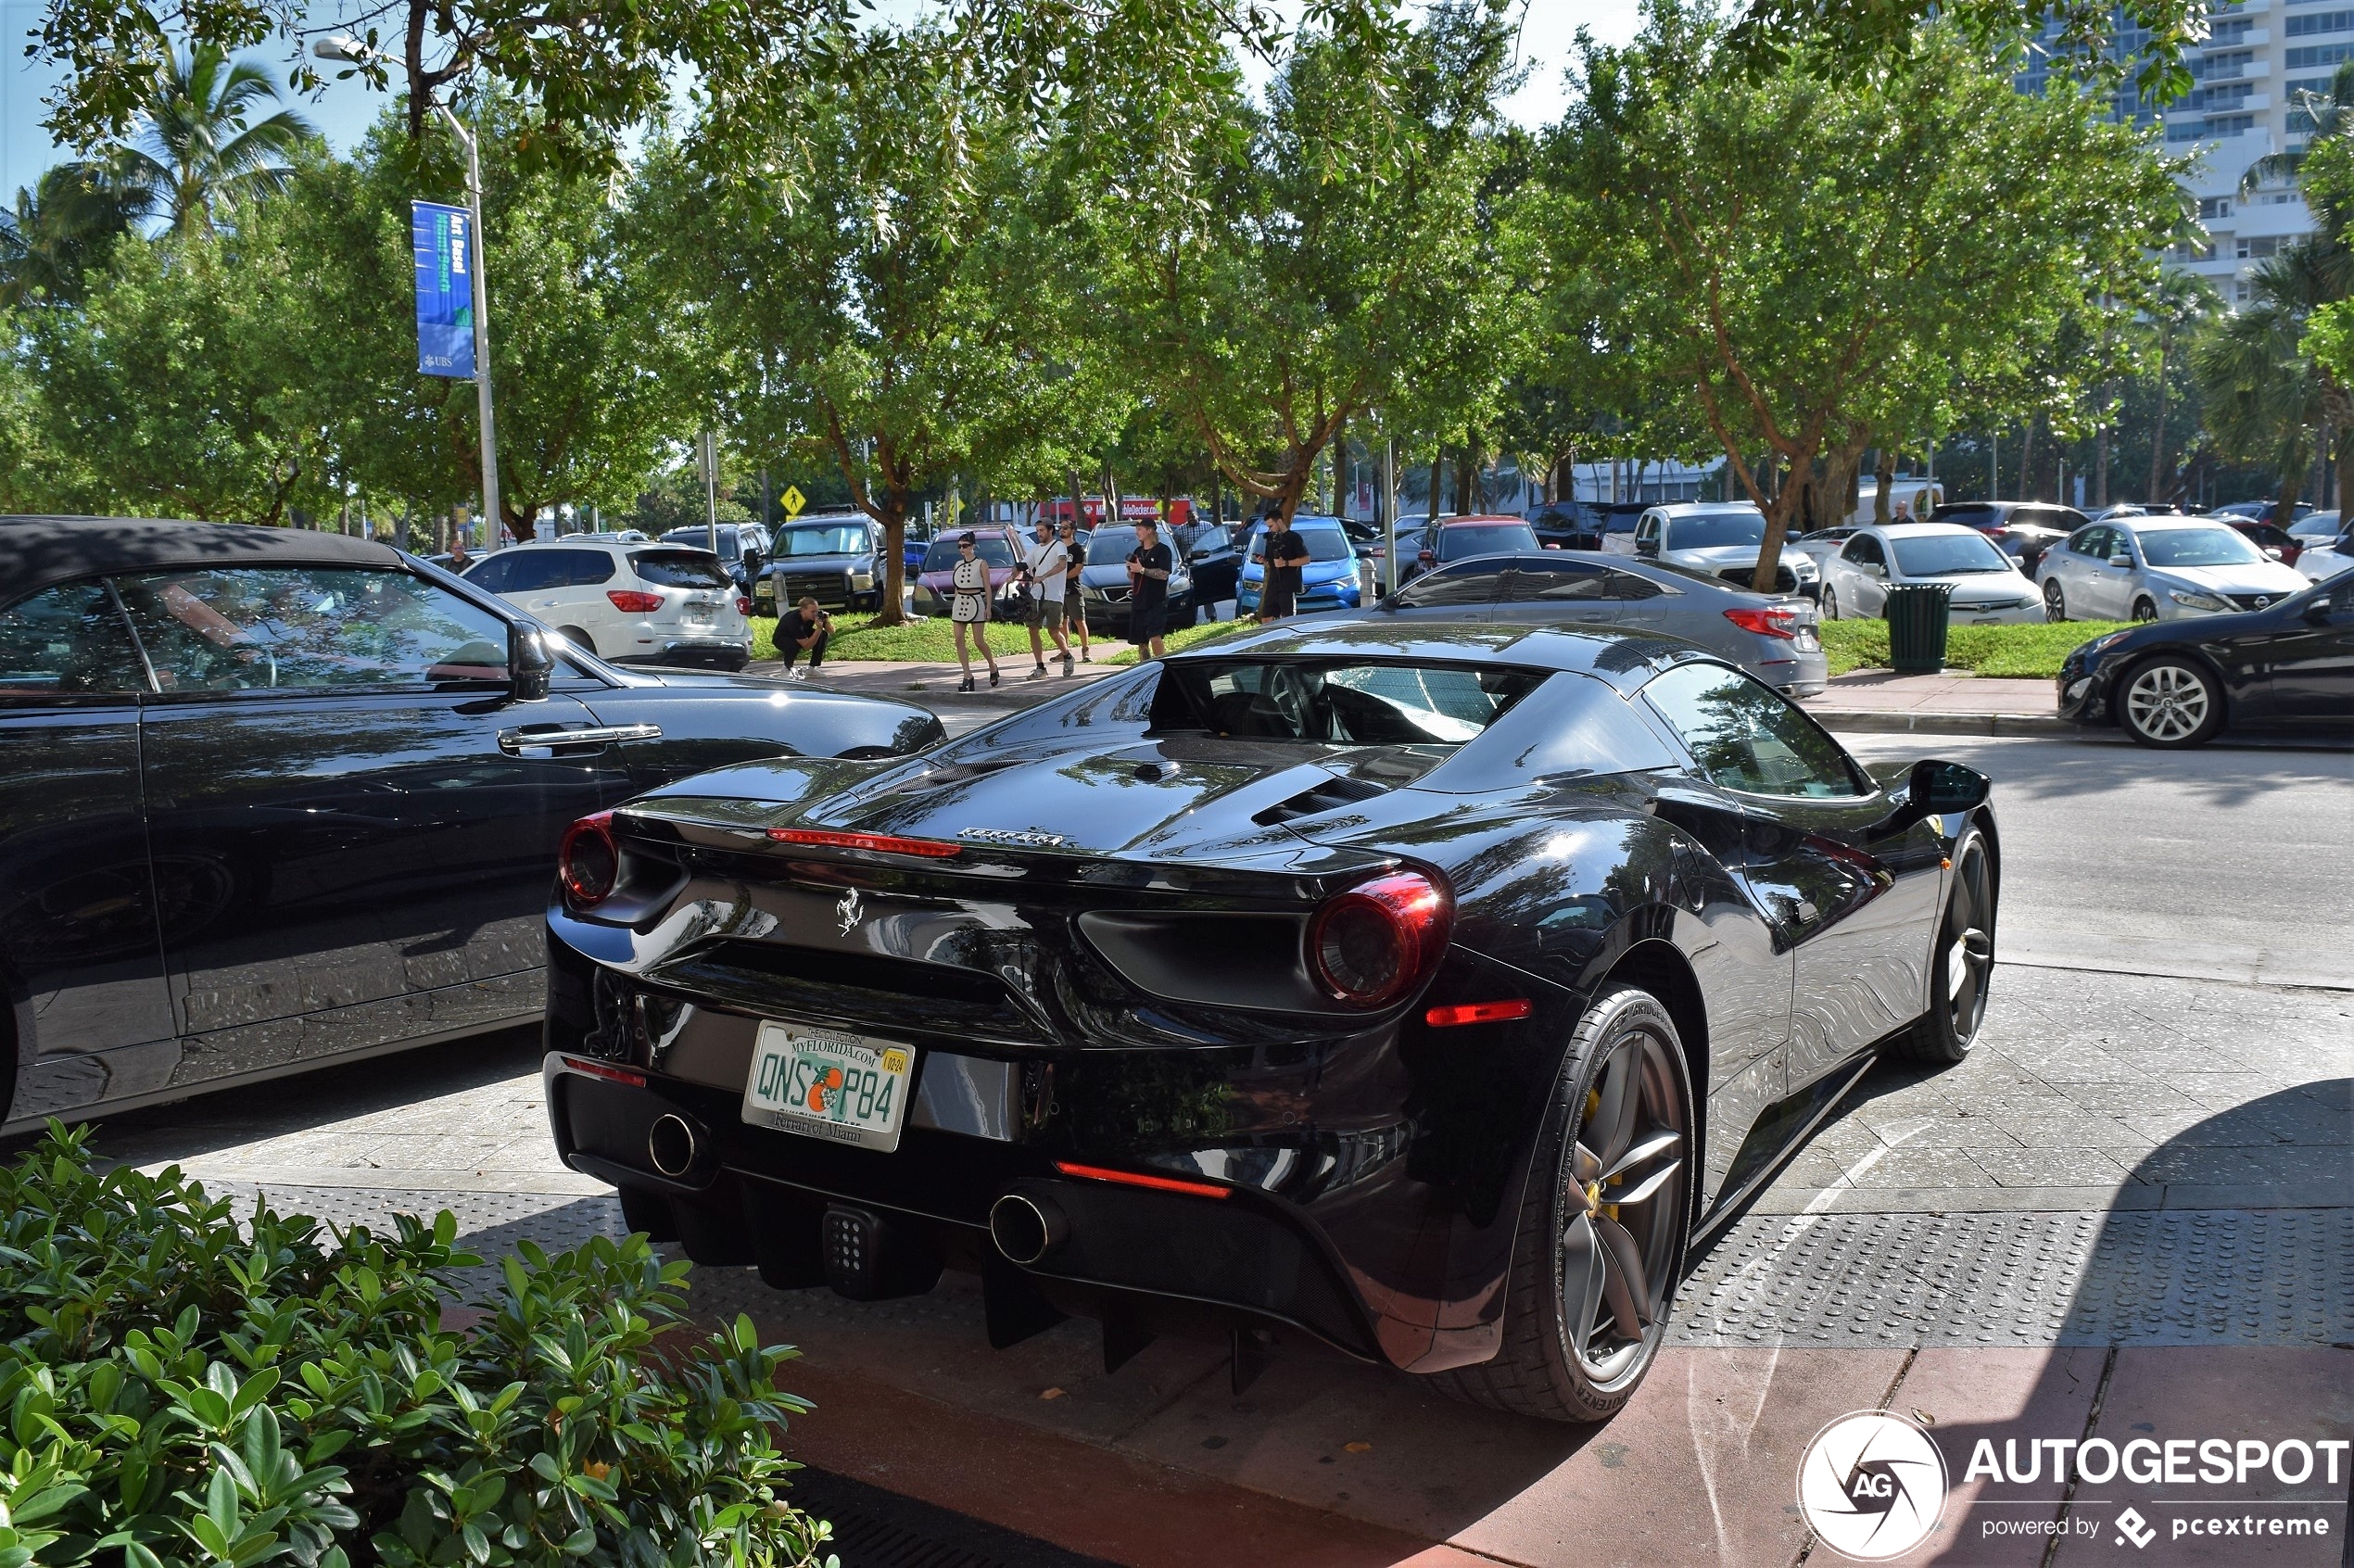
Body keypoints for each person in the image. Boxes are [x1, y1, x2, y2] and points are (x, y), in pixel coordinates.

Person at [1019, 517, 1074, 677]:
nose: (1039, 534)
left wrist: (1043, 576)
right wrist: (1013, 573)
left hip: (1054, 595)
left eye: (1042, 530)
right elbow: (1024, 564)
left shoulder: (1059, 546)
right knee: (1033, 628)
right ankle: (1040, 667)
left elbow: (1062, 564)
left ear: (1051, 530)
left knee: (1054, 631)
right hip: (1036, 594)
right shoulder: (1036, 549)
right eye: (1037, 531)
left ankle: (1067, 656)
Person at [948, 531, 999, 690]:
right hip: (960, 601)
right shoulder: (958, 564)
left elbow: (987, 588)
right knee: (958, 639)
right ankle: (967, 675)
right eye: (960, 546)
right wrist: (955, 604)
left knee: (978, 641)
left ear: (973, 546)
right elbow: (957, 586)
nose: (962, 549)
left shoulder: (981, 563)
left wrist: (988, 607)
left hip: (976, 601)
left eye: (965, 545)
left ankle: (993, 666)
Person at [1126, 517, 1174, 659]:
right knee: (1141, 641)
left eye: (1139, 529)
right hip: (1139, 601)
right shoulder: (1137, 550)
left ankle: (1163, 665)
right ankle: (1145, 668)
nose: (1137, 532)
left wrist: (1142, 570)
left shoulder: (1163, 551)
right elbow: (1131, 576)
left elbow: (1164, 574)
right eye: (1136, 529)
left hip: (1156, 601)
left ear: (1149, 530)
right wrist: (1131, 569)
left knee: (1155, 636)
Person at [1256, 509, 1310, 622]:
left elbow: (1306, 559)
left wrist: (1285, 563)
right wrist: (1264, 561)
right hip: (1273, 584)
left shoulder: (1294, 538)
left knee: (1287, 619)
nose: (1269, 529)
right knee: (1266, 619)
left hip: (1288, 585)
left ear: (1279, 522)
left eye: (1271, 526)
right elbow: (1271, 564)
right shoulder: (1271, 539)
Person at [1058, 517, 1092, 663]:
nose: (1062, 530)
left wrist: (1061, 577)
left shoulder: (1078, 549)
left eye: (1065, 527)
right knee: (1061, 622)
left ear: (1072, 530)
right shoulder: (1056, 548)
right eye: (1061, 527)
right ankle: (1065, 651)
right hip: (1058, 592)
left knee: (1079, 620)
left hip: (1073, 590)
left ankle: (1086, 651)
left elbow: (1078, 569)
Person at [778, 596, 831, 680]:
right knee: (793, 645)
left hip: (801, 634)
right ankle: (786, 669)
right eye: (812, 611)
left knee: (823, 635)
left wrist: (825, 620)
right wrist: (819, 628)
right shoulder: (794, 620)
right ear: (803, 610)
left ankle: (811, 670)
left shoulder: (814, 615)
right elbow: (806, 647)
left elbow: (831, 631)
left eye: (816, 611)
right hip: (782, 638)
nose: (815, 614)